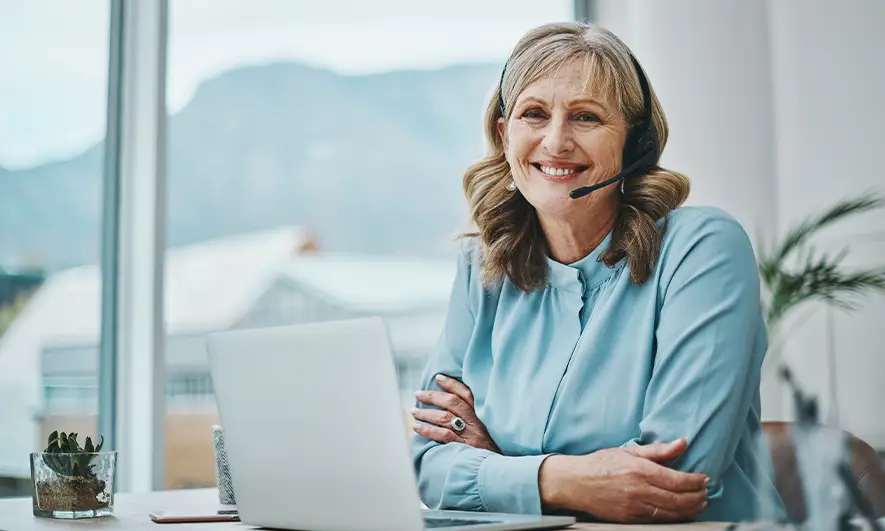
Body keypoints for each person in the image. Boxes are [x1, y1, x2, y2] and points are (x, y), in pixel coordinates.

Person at [409, 22, 784, 523]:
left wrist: (495, 464)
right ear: (504, 134)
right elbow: (429, 463)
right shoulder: (484, 267)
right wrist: (559, 480)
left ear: (634, 143)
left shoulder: (703, 248)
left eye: (586, 117)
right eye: (534, 114)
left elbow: (674, 477)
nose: (556, 141)